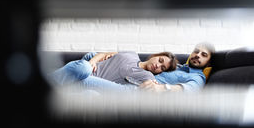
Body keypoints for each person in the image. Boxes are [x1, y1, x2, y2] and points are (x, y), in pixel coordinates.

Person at [49, 51, 177, 92]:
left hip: (88, 84)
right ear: (156, 55)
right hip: (82, 69)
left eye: (162, 68)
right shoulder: (132, 54)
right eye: (160, 60)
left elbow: (150, 88)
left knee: (91, 95)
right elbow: (101, 54)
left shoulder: (147, 76)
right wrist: (92, 61)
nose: (158, 66)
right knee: (84, 68)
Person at [140, 42, 215, 92]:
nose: (198, 55)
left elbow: (191, 89)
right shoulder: (176, 66)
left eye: (204, 55)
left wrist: (163, 88)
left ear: (208, 63)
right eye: (196, 51)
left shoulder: (197, 77)